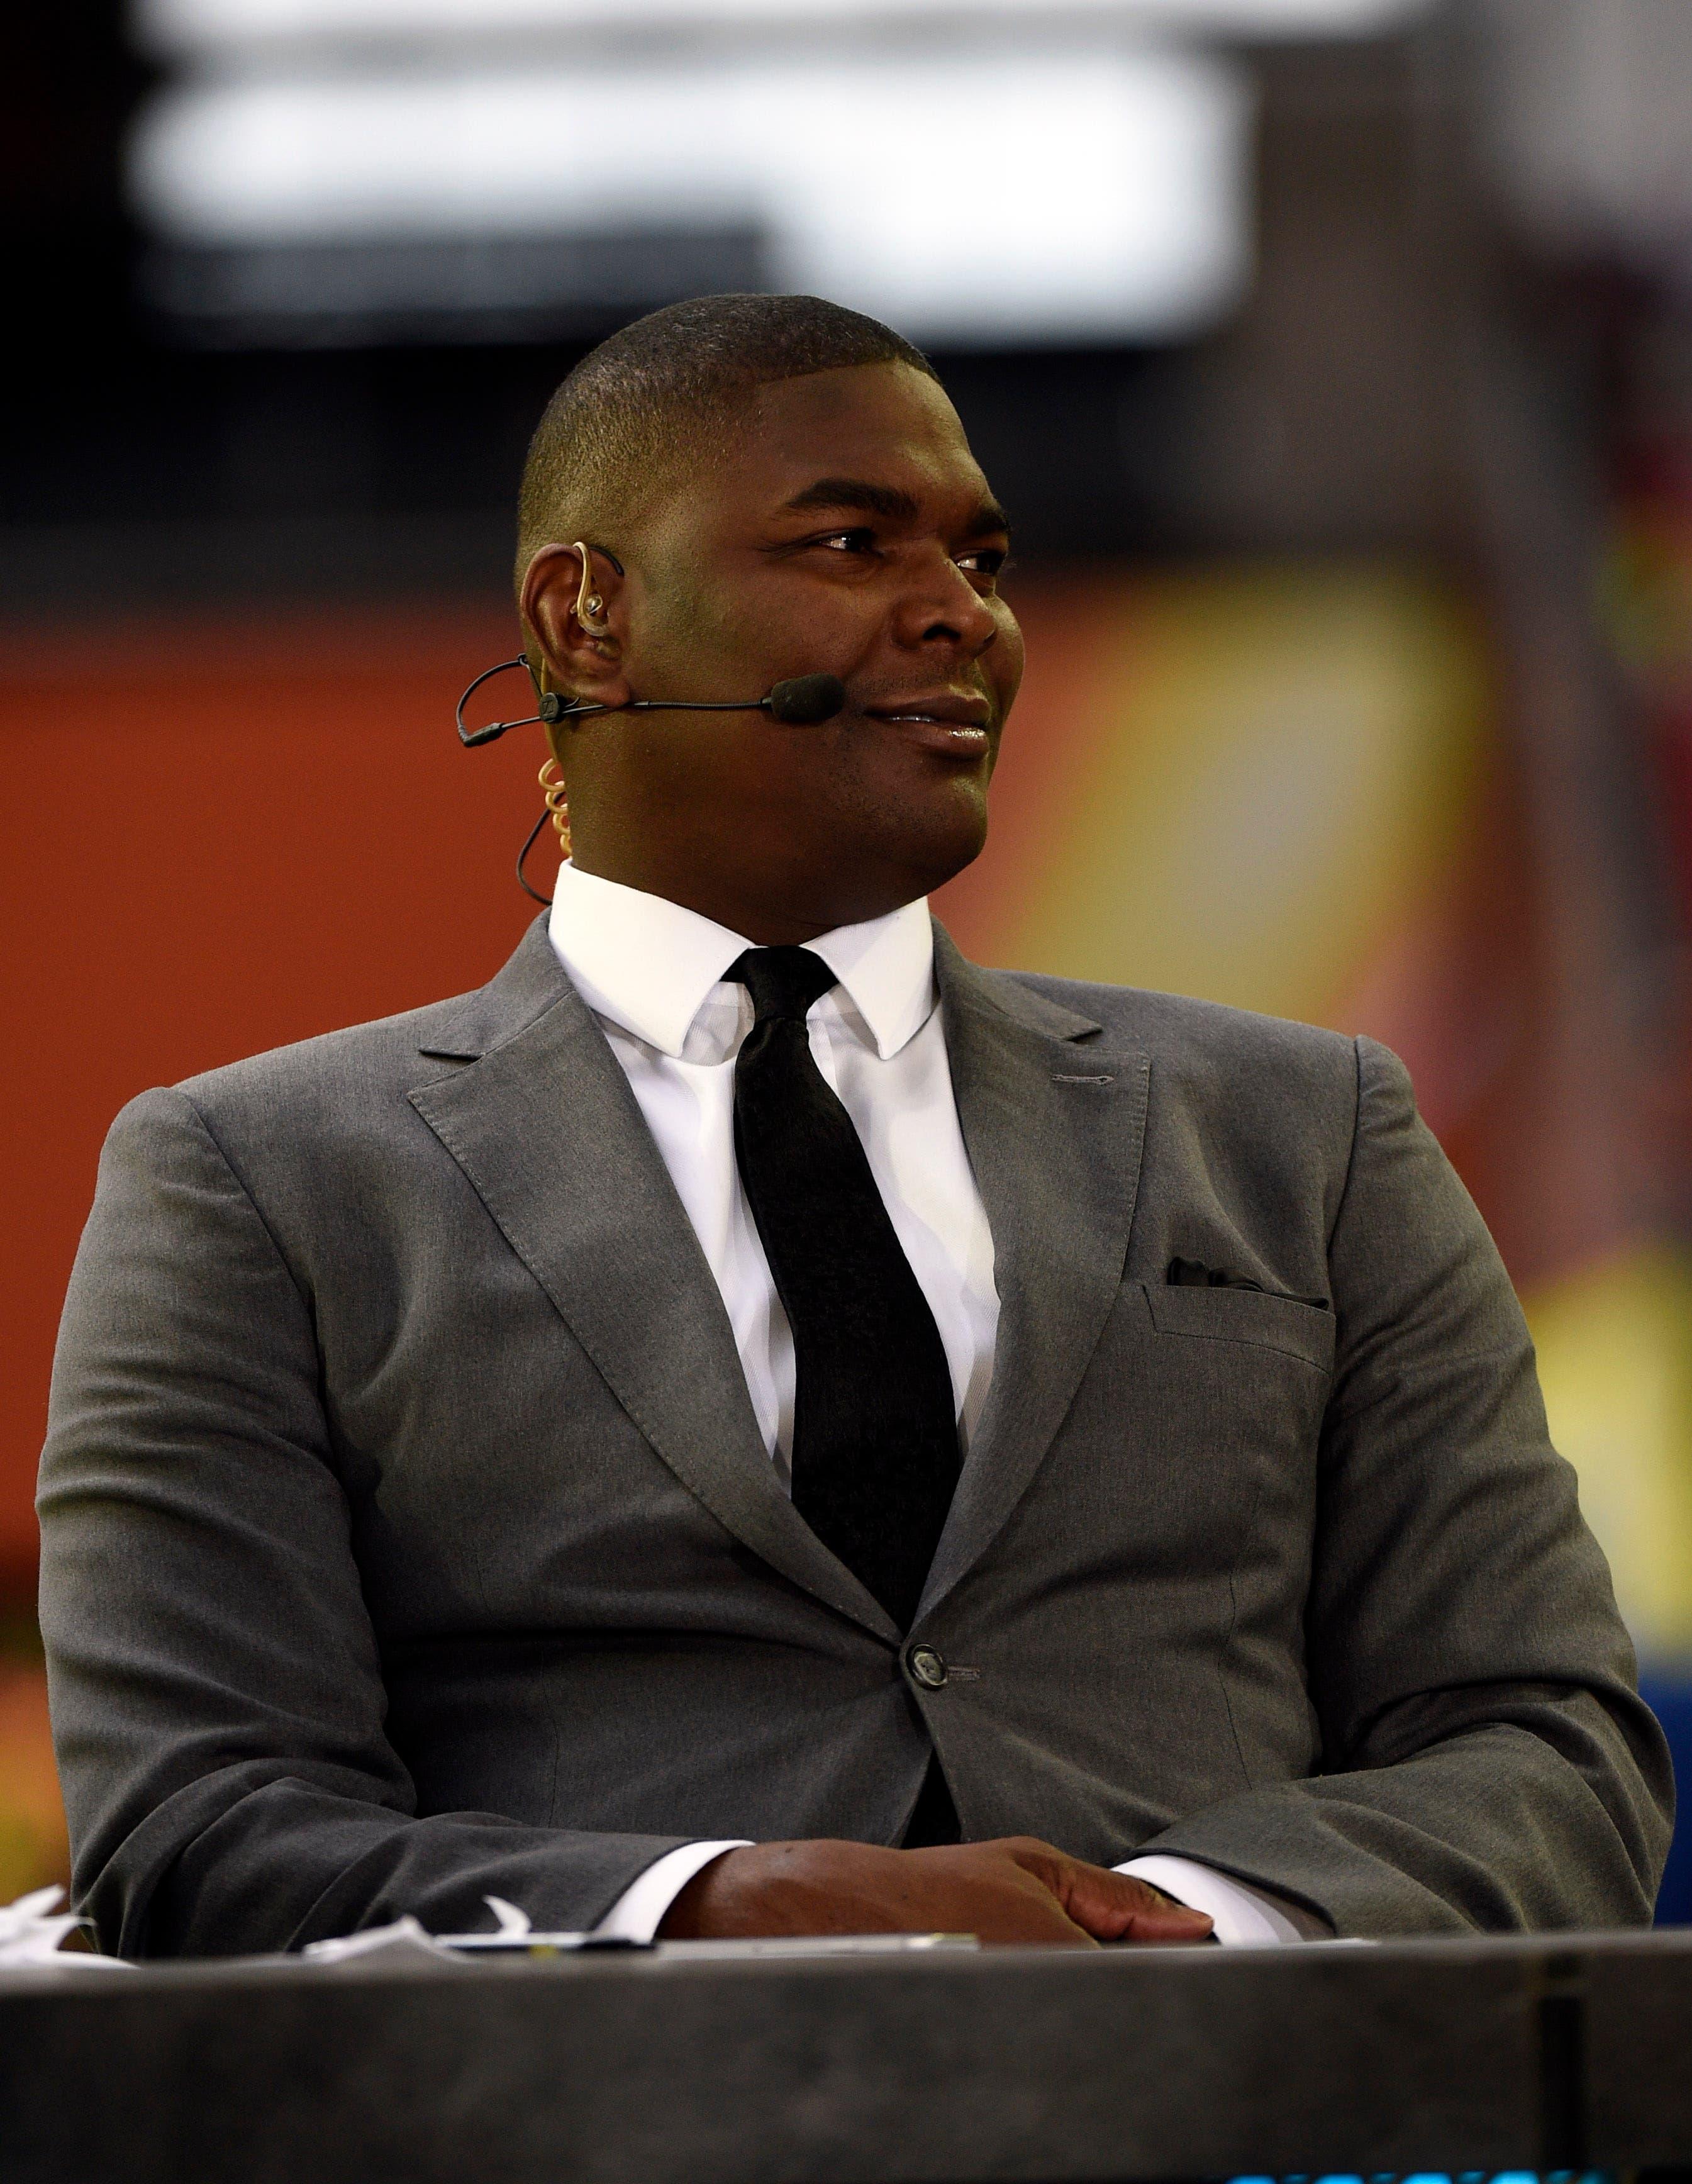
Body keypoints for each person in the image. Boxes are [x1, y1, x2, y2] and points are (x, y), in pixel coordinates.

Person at [39, 294, 1671, 1959]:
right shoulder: (258, 1182)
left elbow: (1545, 1748)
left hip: (1221, 2122)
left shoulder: (1307, 1130)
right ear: (587, 618)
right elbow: (193, 1829)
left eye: (983, 557)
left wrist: (1167, 1928)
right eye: (851, 543)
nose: (957, 615)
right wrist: (714, 1902)